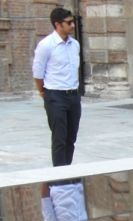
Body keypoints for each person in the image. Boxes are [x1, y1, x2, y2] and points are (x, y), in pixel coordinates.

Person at [32, 8, 81, 167]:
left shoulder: (75, 45)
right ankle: (59, 176)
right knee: (59, 137)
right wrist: (42, 92)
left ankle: (67, 170)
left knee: (71, 138)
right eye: (69, 23)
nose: (73, 25)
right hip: (55, 96)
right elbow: (38, 73)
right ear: (57, 24)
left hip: (73, 96)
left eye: (72, 21)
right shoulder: (46, 45)